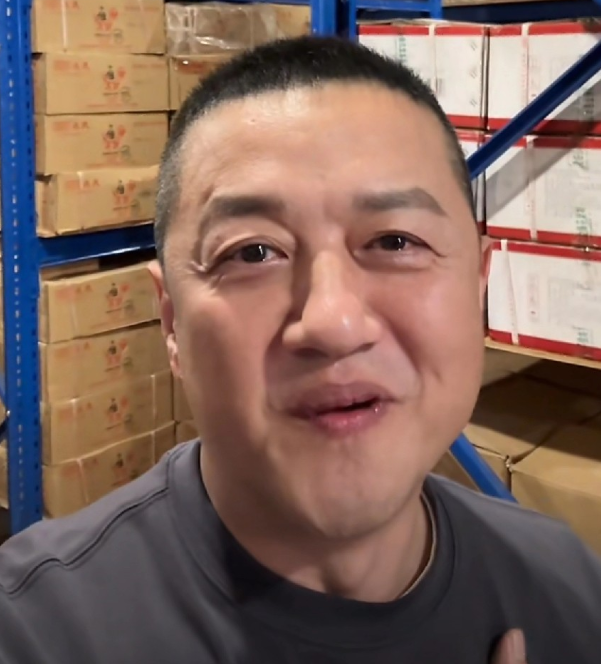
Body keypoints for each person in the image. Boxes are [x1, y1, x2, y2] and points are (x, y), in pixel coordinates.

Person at [1, 36, 600, 663]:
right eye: (253, 253)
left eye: (395, 242)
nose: (333, 322)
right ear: (171, 322)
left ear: (477, 289)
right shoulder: (33, 632)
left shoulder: (567, 590)